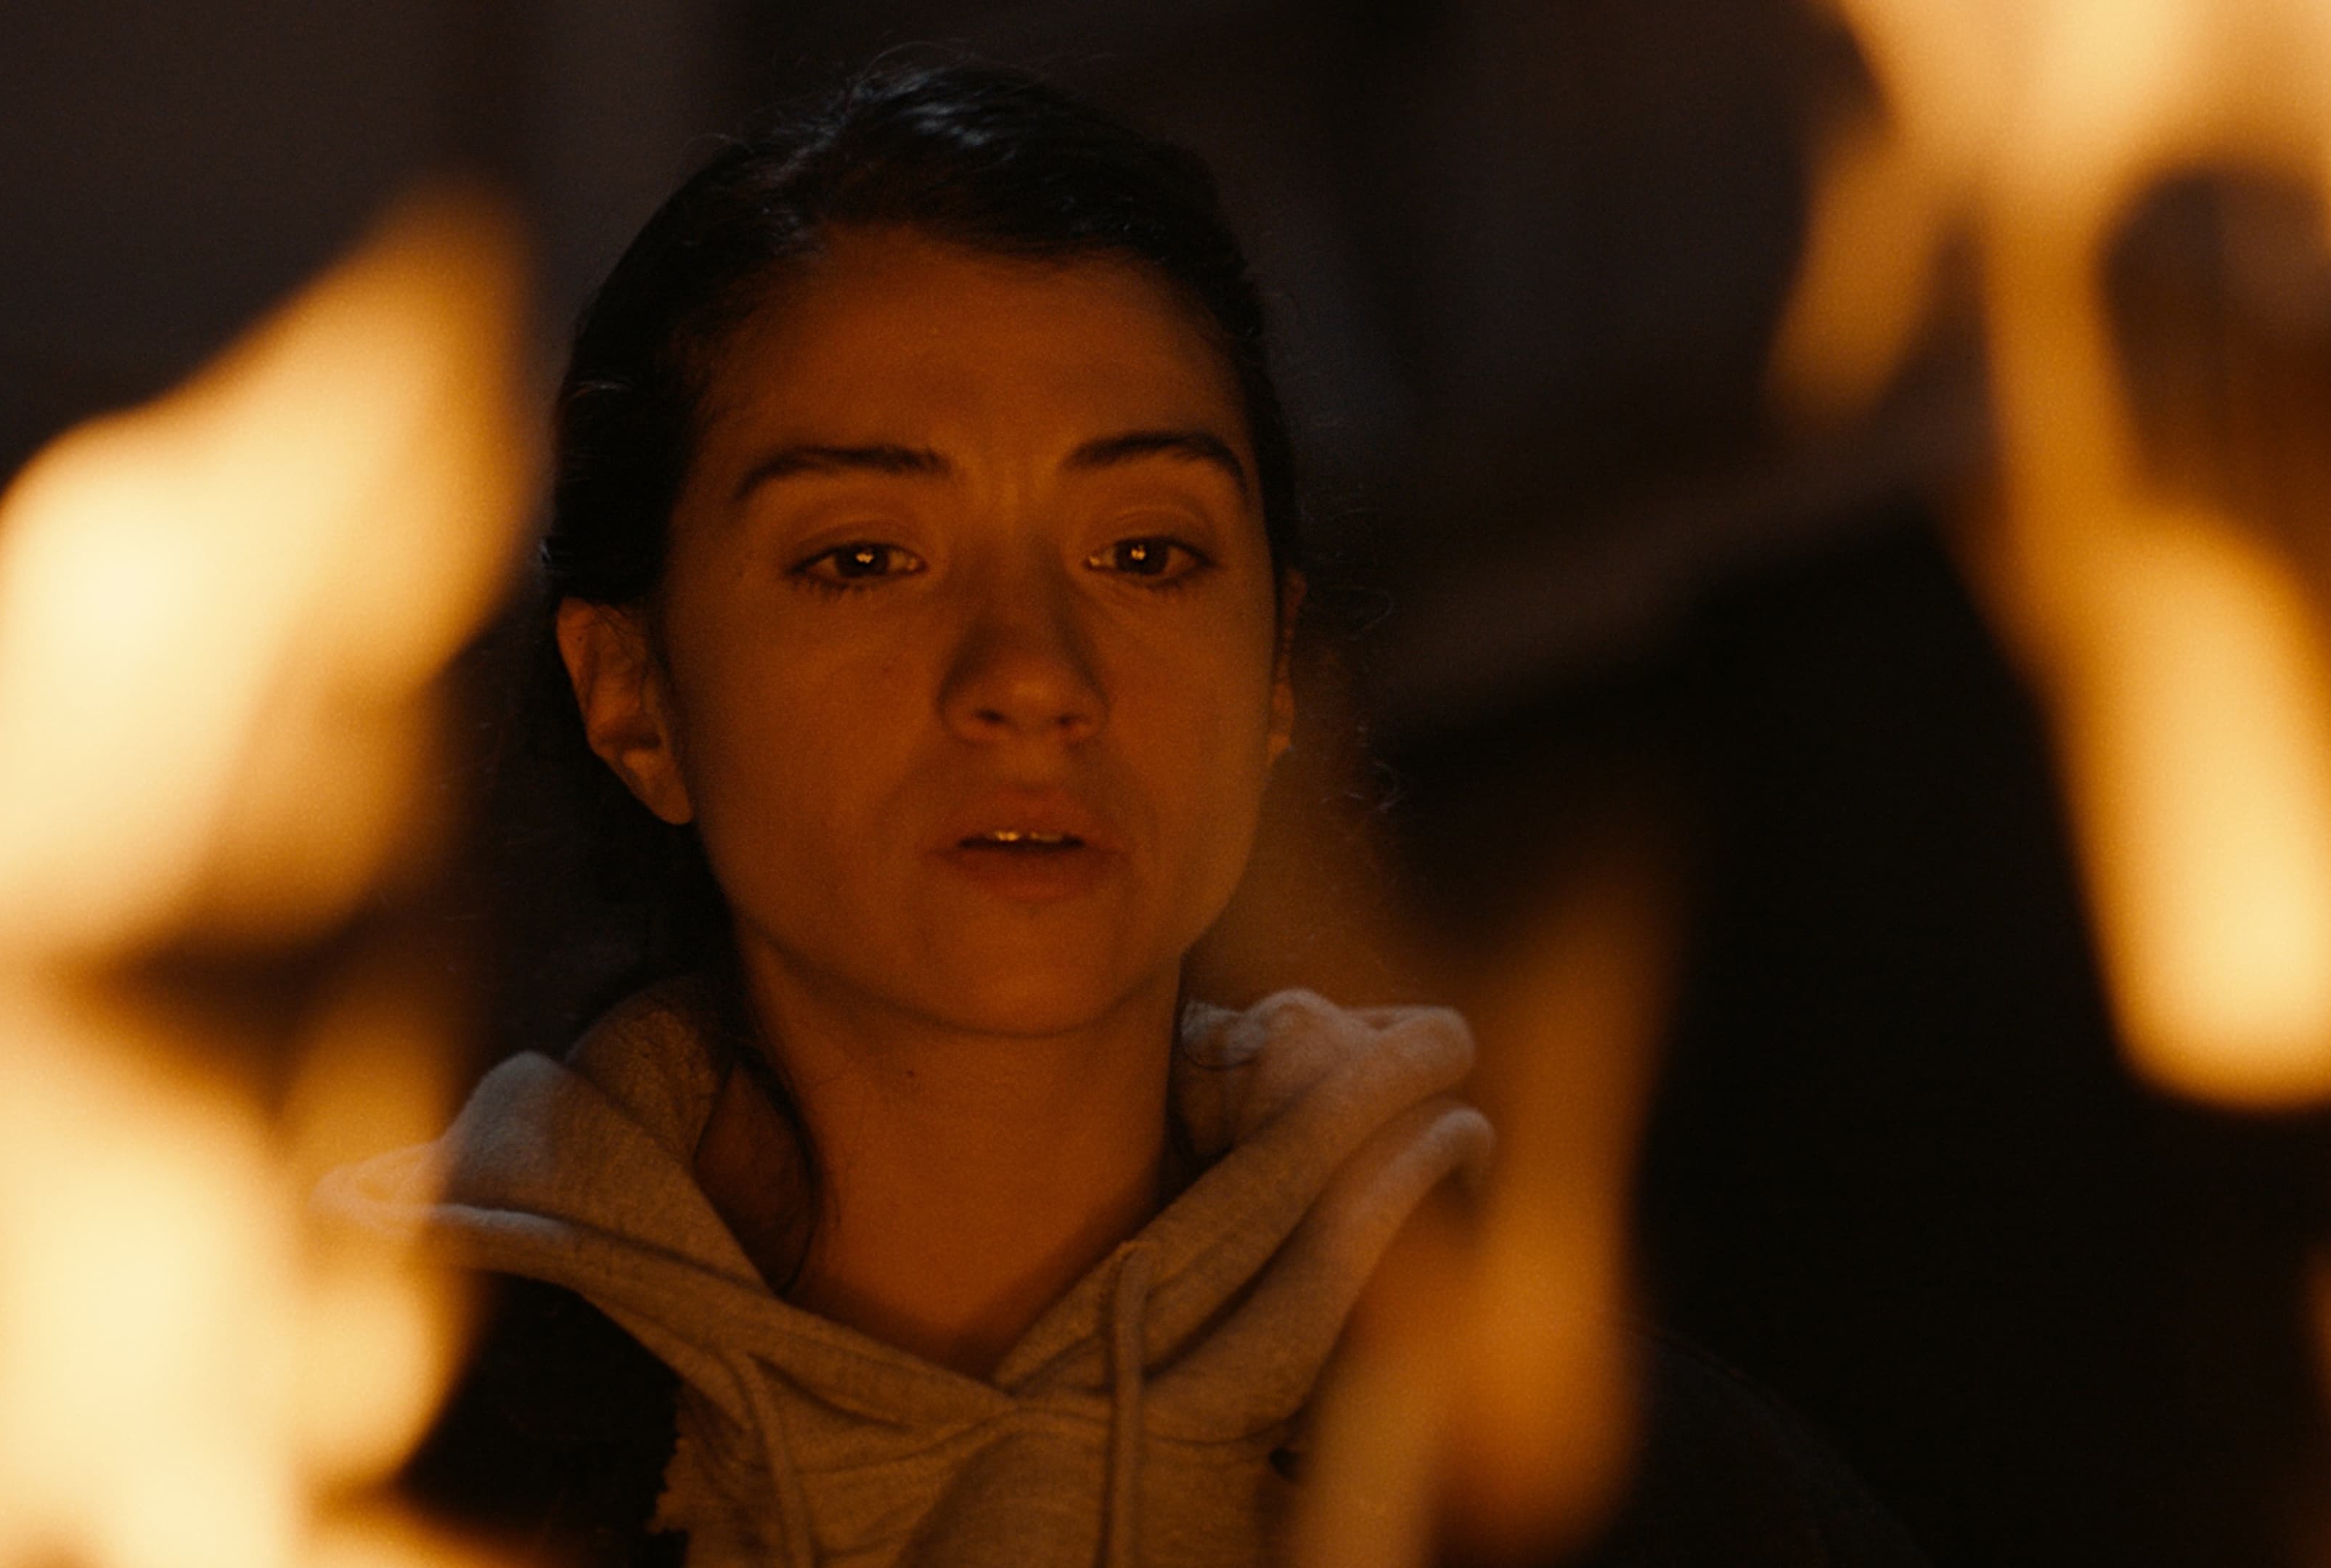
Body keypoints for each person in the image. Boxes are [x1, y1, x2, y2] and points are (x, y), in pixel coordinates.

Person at [323, 58, 1493, 1568]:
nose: (1032, 676)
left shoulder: (1553, 1444)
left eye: (1145, 555)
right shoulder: (328, 1443)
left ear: (1278, 674)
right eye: (865, 559)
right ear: (633, 696)